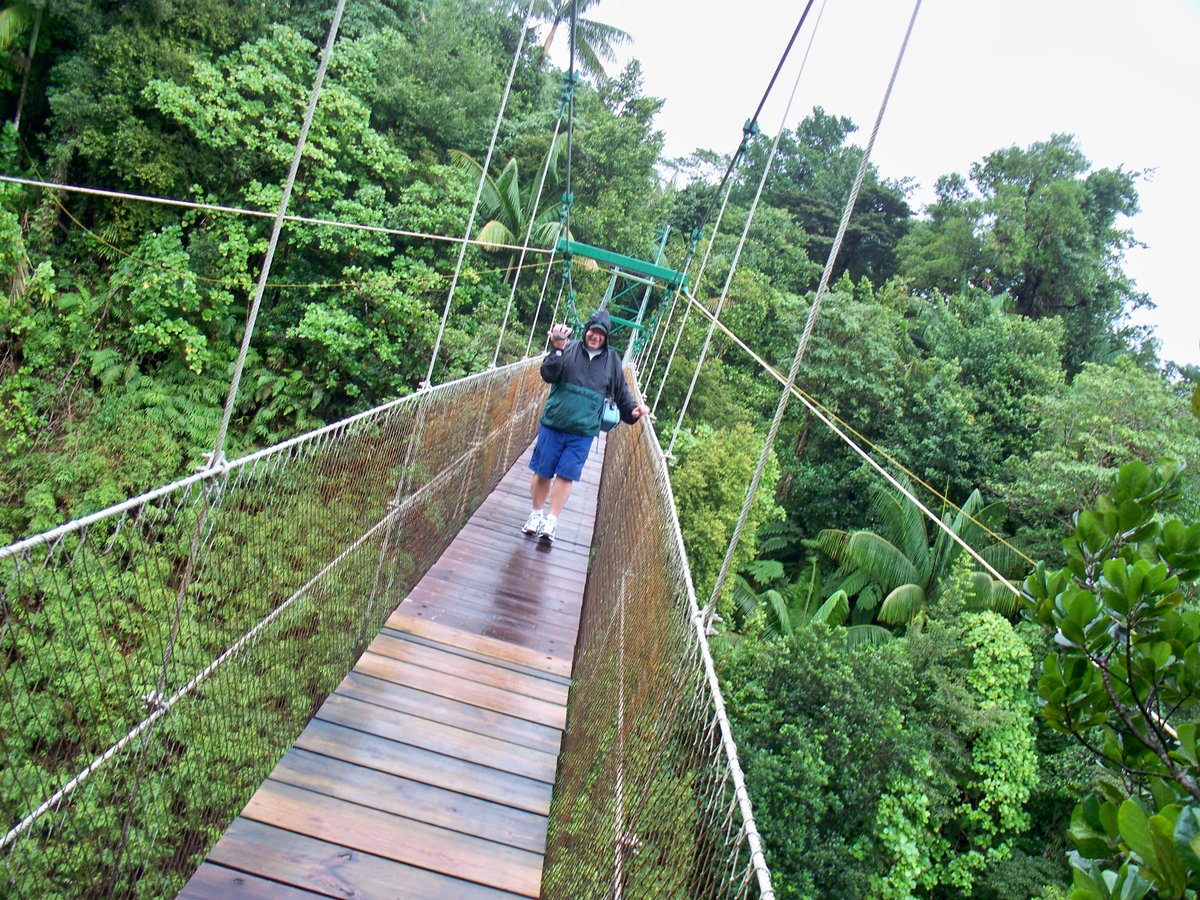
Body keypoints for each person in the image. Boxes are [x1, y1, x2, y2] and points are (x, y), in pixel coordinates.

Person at [523, 308, 649, 544]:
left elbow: (621, 393)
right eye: (593, 331)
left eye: (601, 334)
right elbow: (548, 374)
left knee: (566, 475)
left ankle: (551, 520)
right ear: (586, 331)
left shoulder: (612, 361)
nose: (596, 336)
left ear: (606, 337)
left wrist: (632, 411)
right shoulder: (568, 348)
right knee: (542, 471)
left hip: (582, 431)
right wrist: (557, 348)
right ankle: (535, 515)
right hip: (554, 422)